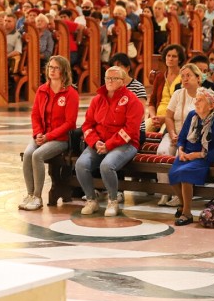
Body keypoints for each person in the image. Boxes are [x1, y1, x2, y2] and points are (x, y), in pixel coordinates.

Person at [76, 66, 144, 217]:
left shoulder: (132, 101)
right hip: (99, 143)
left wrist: (109, 145)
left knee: (107, 165)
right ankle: (91, 200)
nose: (110, 81)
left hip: (126, 144)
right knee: (81, 165)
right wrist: (95, 142)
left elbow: (131, 130)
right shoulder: (97, 99)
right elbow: (87, 125)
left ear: (123, 82)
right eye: (108, 78)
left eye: (115, 78)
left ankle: (113, 201)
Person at [20, 56, 79, 211]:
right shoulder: (42, 90)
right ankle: (30, 194)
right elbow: (35, 115)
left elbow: (70, 123)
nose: (52, 71)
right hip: (42, 136)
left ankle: (38, 197)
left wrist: (48, 137)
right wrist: (38, 134)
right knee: (27, 154)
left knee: (37, 155)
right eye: (50, 67)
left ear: (64, 71)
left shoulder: (70, 93)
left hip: (60, 139)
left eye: (56, 68)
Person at [168, 87, 214, 226]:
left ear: (211, 105)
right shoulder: (192, 115)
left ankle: (187, 213)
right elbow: (182, 137)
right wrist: (181, 150)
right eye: (196, 99)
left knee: (184, 173)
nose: (196, 103)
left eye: (200, 100)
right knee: (172, 174)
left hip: (204, 157)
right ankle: (184, 204)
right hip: (186, 154)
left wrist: (198, 155)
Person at [157, 63, 203, 206]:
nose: (185, 79)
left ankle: (179, 194)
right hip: (174, 134)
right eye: (182, 76)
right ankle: (165, 191)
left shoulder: (204, 95)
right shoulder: (178, 94)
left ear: (198, 78)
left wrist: (183, 140)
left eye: (188, 76)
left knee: (180, 157)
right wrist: (171, 134)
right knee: (162, 152)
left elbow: (205, 121)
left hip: (192, 138)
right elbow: (169, 117)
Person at [147, 44, 185, 133]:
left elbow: (183, 106)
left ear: (179, 60)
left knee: (161, 135)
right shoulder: (160, 77)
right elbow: (152, 102)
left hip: (173, 119)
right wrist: (153, 117)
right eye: (168, 56)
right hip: (156, 117)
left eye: (174, 56)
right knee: (139, 132)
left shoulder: (183, 77)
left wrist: (164, 118)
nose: (170, 59)